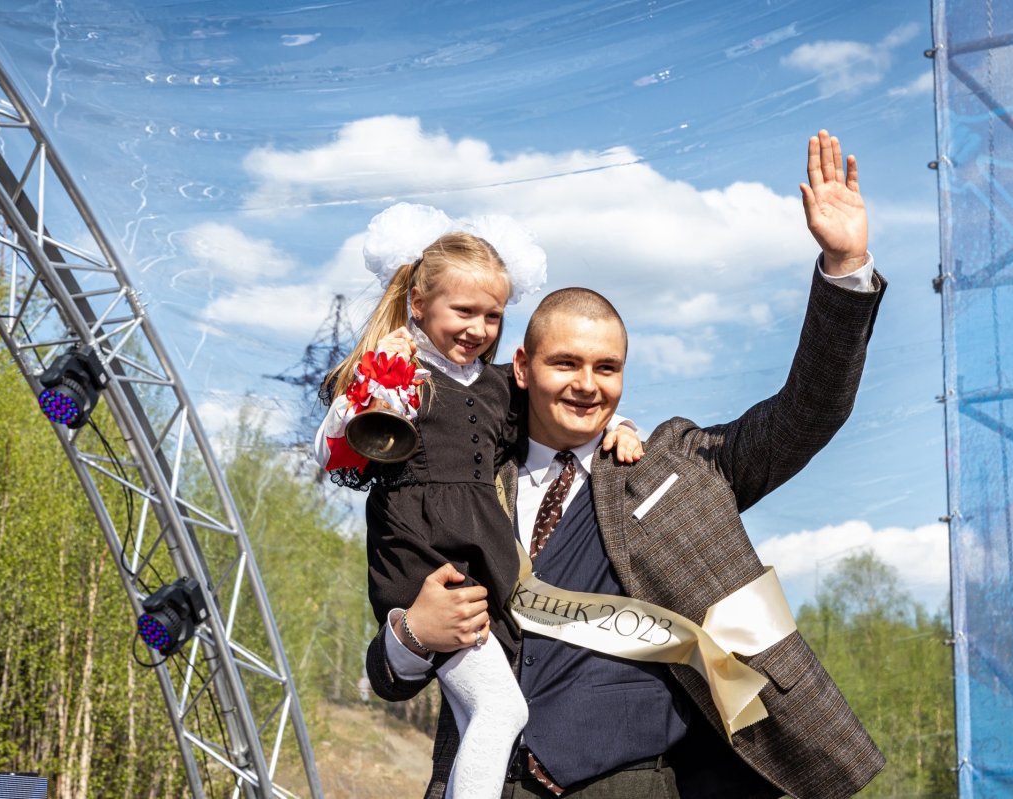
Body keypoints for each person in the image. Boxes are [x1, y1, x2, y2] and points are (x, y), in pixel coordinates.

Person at [364, 130, 888, 799]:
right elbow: (386, 670)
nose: (588, 384)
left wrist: (845, 266)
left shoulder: (675, 467)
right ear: (520, 368)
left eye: (607, 367)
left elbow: (804, 415)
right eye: (566, 363)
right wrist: (412, 632)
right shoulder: (450, 479)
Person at [313, 204, 643, 799]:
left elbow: (563, 415)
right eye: (463, 311)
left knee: (481, 716)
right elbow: (329, 452)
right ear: (418, 304)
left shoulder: (492, 387)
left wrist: (619, 427)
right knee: (503, 713)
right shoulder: (395, 372)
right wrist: (373, 387)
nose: (479, 329)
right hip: (424, 561)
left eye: (493, 316)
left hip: (481, 559)